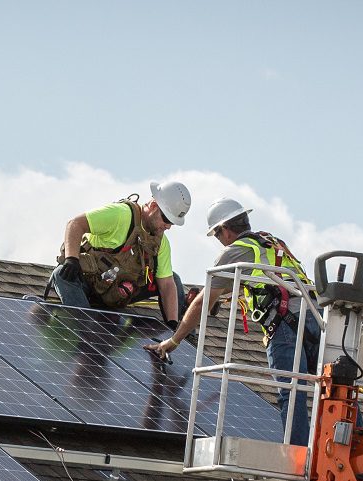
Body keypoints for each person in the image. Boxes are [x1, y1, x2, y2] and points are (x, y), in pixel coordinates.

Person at [147, 197, 323, 444]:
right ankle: (352, 449)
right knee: (335, 389)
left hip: (285, 326)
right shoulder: (270, 242)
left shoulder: (234, 252)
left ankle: (298, 455)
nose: (219, 241)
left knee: (291, 394)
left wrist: (174, 341)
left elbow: (202, 302)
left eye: (217, 235)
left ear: (225, 230)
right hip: (316, 320)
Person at [50, 181, 191, 327]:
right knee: (62, 274)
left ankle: (181, 327)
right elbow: (75, 224)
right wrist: (71, 259)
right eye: (167, 219)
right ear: (154, 206)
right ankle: (85, 326)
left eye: (172, 223)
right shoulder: (120, 215)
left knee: (173, 278)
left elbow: (167, 284)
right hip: (89, 285)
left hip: (118, 292)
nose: (168, 226)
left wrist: (172, 325)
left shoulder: (160, 243)